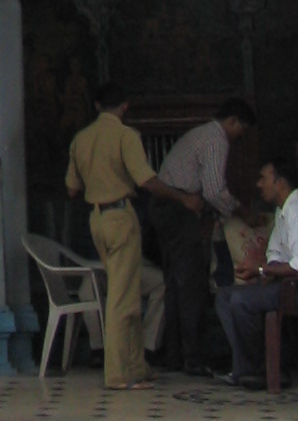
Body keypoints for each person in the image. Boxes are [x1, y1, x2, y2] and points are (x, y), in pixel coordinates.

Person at [65, 83, 202, 391]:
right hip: (120, 217)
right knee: (122, 299)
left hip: (97, 220)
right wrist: (182, 198)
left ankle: (137, 366)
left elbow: (72, 189)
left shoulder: (81, 139)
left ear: (97, 105)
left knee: (126, 288)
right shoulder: (127, 136)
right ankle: (117, 374)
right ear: (125, 106)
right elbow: (147, 181)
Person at [153, 97, 256, 376]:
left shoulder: (200, 134)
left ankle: (174, 355)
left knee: (176, 284)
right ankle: (194, 358)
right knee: (192, 285)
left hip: (165, 210)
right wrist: (241, 213)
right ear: (232, 121)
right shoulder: (216, 140)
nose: (239, 137)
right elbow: (214, 191)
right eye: (241, 130)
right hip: (177, 210)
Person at [213, 158, 298, 389]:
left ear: (280, 182)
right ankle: (245, 368)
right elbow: (275, 253)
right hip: (291, 284)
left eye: (263, 178)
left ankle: (264, 368)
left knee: (241, 300)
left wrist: (262, 270)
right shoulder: (282, 211)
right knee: (224, 296)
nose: (259, 184)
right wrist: (267, 273)